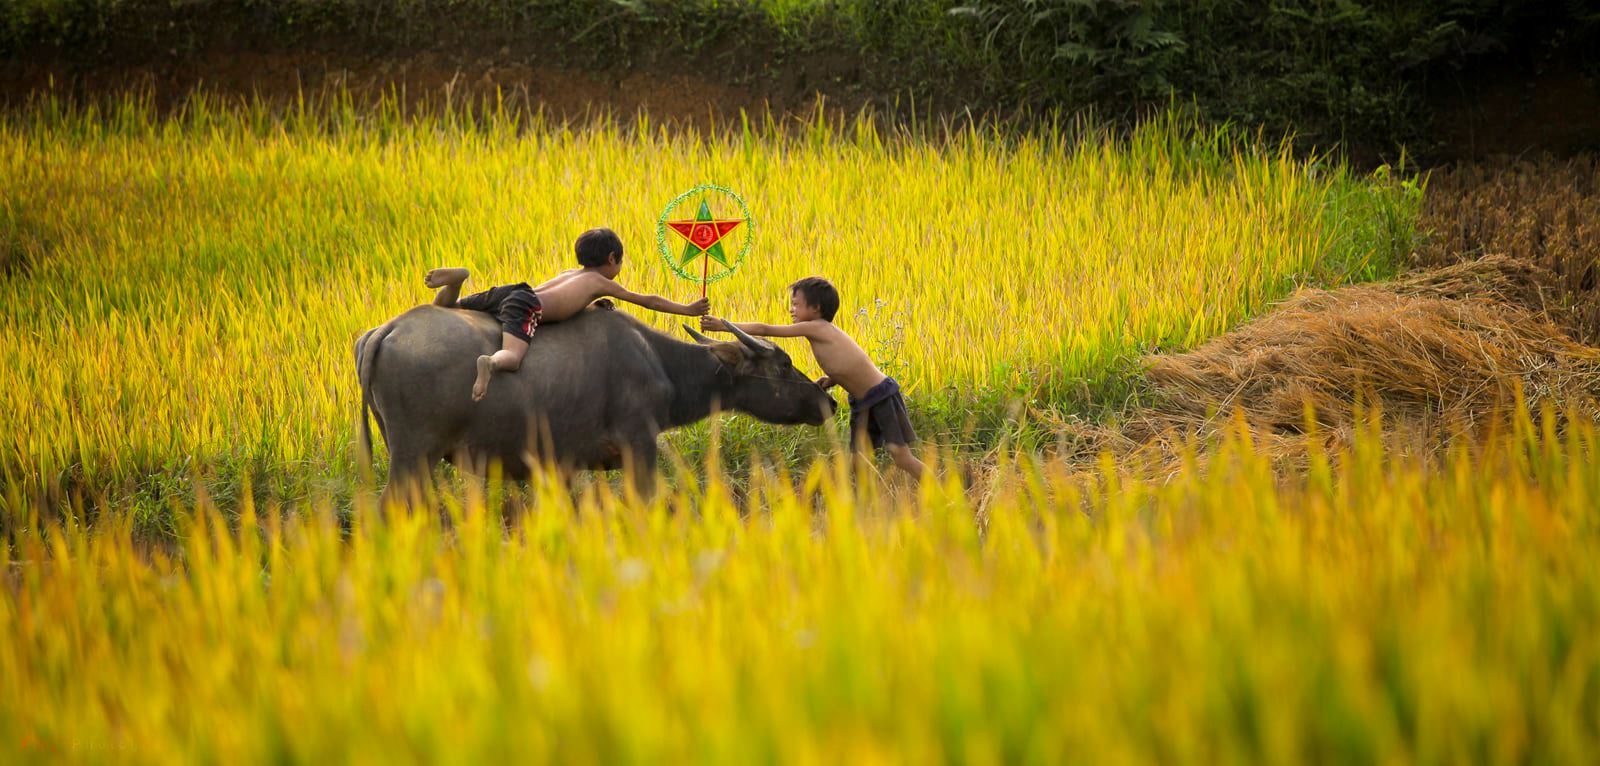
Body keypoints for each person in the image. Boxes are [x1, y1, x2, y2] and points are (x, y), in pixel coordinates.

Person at [427, 227, 710, 401]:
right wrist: (687, 308)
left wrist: (592, 306)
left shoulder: (570, 274)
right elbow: (648, 300)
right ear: (612, 259)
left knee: (444, 309)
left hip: (513, 291)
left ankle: (458, 280)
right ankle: (490, 363)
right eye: (620, 262)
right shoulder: (601, 282)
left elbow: (567, 302)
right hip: (526, 305)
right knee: (512, 358)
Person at [700, 276, 924, 481]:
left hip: (880, 396)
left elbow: (764, 329)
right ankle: (866, 509)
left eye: (796, 304)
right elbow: (851, 365)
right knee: (857, 462)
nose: (791, 309)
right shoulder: (821, 331)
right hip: (863, 402)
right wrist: (830, 380)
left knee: (902, 458)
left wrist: (723, 325)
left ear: (816, 308)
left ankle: (943, 495)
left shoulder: (817, 328)